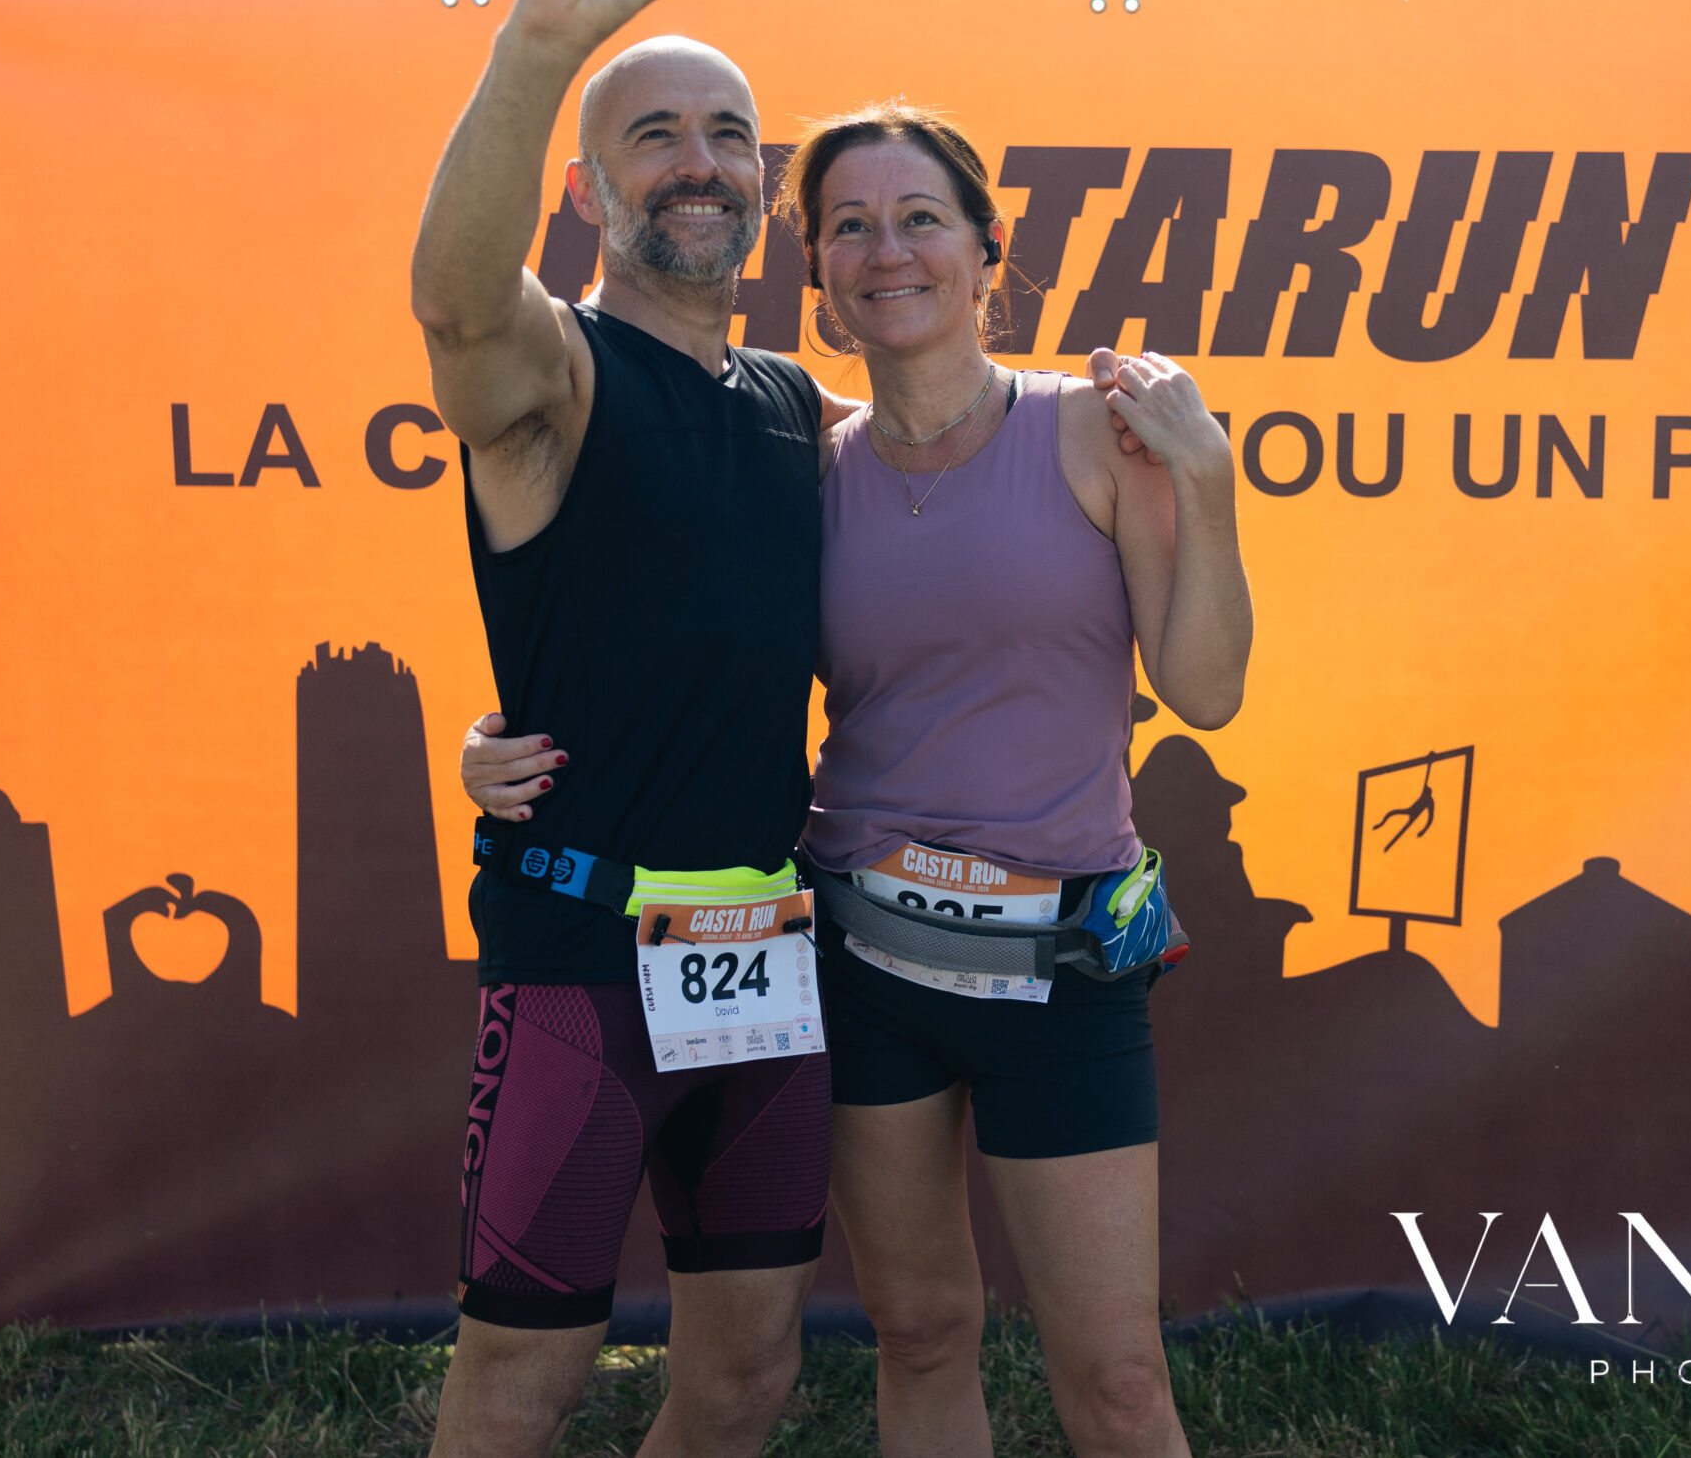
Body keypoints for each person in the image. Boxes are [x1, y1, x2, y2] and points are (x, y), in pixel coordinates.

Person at [465, 101, 1252, 1458]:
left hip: (1063, 969)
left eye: (921, 218)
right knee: (923, 1332)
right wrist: (504, 733)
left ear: (986, 248)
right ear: (817, 271)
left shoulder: (1097, 431)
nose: (889, 251)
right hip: (857, 963)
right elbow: (647, 616)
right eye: (850, 227)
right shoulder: (803, 455)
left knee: (1122, 1384)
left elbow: (1209, 690)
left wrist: (1210, 478)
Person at [409, 0, 859, 1458]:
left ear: (764, 181)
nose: (699, 161)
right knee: (520, 1388)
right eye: (656, 135)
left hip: (765, 956)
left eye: (729, 135)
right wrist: (543, 40)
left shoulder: (797, 405)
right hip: (581, 962)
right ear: (591, 187)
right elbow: (457, 302)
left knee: (746, 1382)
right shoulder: (557, 378)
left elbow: (963, 458)